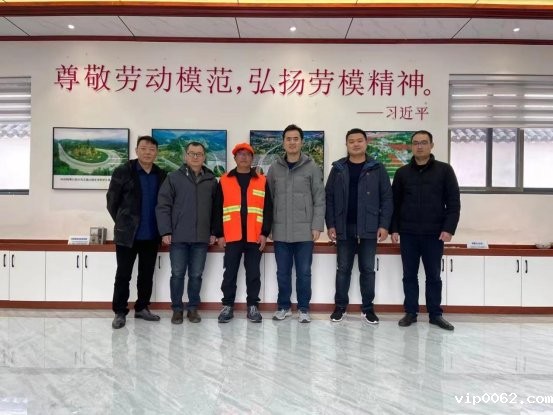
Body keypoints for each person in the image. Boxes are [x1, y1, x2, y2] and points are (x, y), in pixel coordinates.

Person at [391, 130, 461, 331]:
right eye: (415, 143)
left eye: (423, 142)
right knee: (409, 275)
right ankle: (410, 313)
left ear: (431, 145)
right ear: (411, 146)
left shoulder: (444, 170)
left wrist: (448, 228)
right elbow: (395, 204)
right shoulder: (402, 173)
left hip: (434, 234)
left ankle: (435, 314)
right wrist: (394, 229)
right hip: (408, 233)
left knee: (434, 276)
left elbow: (454, 203)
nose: (419, 146)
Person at [325, 128, 393, 324]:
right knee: (343, 269)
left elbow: (387, 198)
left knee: (368, 269)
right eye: (351, 141)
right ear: (346, 145)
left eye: (359, 140)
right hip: (343, 227)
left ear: (366, 143)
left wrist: (384, 225)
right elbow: (329, 198)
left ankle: (368, 309)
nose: (356, 144)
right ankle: (340, 307)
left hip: (369, 227)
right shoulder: (338, 168)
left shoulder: (377, 168)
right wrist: (331, 224)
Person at [266, 124, 325, 323]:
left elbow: (319, 198)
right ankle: (283, 306)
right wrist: (269, 227)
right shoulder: (274, 168)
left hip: (304, 231)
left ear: (301, 142)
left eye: (296, 139)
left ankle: (303, 308)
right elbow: (268, 200)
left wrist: (317, 226)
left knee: (304, 273)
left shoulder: (312, 167)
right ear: (283, 142)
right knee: (282, 273)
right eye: (288, 139)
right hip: (280, 230)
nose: (292, 142)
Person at [107, 135, 167, 329]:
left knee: (146, 275)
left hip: (152, 235)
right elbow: (112, 202)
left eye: (152, 149)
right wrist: (124, 222)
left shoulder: (161, 174)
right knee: (123, 275)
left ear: (156, 153)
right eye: (144, 148)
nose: (147, 152)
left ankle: (142, 307)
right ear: (136, 150)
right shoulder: (123, 171)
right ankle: (119, 312)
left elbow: (165, 204)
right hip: (128, 235)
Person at [156, 142, 217, 325]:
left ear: (204, 157)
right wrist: (166, 230)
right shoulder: (173, 178)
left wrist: (214, 232)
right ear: (186, 156)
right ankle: (177, 309)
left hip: (201, 237)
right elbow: (163, 205)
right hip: (178, 237)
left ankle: (192, 308)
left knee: (196, 275)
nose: (195, 157)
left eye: (199, 154)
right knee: (177, 274)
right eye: (192, 153)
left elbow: (216, 209)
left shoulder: (211, 180)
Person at [213, 142, 273, 323]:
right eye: (240, 154)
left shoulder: (262, 181)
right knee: (229, 273)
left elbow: (268, 209)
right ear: (235, 158)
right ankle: (227, 306)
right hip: (232, 235)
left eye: (247, 154)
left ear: (252, 158)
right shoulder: (224, 180)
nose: (244, 157)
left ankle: (253, 306)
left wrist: (265, 233)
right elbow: (217, 209)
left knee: (253, 273)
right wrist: (219, 234)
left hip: (255, 236)